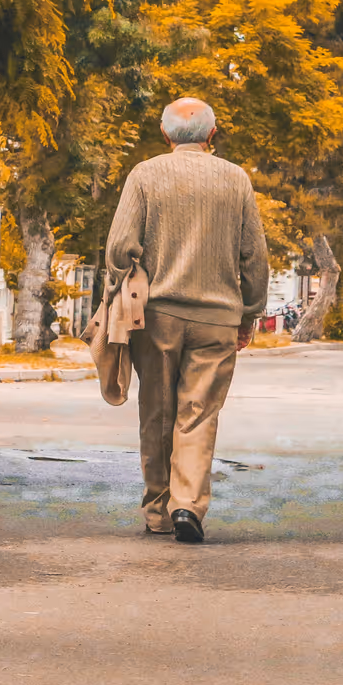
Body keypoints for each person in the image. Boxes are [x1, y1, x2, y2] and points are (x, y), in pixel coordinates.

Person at [104, 97, 270, 543]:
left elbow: (120, 248)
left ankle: (158, 509)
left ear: (166, 135)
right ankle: (187, 506)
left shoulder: (145, 174)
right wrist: (250, 312)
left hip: (155, 315)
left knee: (157, 410)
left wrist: (122, 285)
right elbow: (254, 256)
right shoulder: (236, 179)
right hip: (217, 318)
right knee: (198, 414)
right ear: (212, 136)